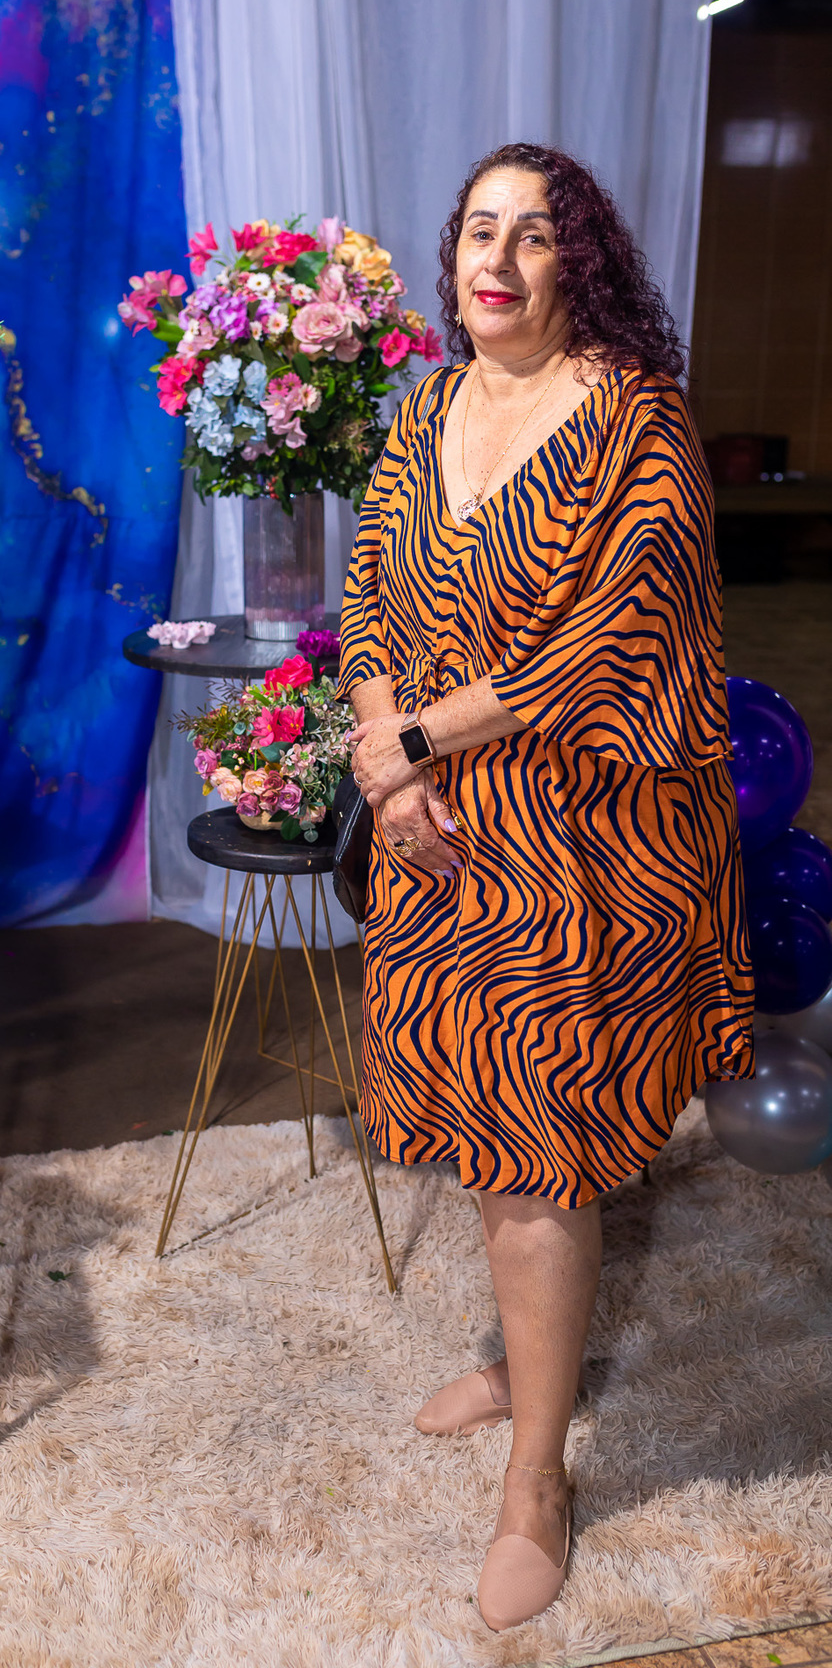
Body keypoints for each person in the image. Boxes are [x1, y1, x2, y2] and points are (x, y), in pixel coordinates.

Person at [339, 142, 753, 1631]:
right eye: (478, 232)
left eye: (532, 234)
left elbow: (609, 645)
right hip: (436, 841)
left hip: (583, 850)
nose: (498, 259)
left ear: (581, 260)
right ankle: (528, 1366)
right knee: (483, 1130)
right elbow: (369, 601)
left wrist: (415, 741)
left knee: (538, 1156)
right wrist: (388, 767)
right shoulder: (426, 409)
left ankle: (537, 1481)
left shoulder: (638, 419)